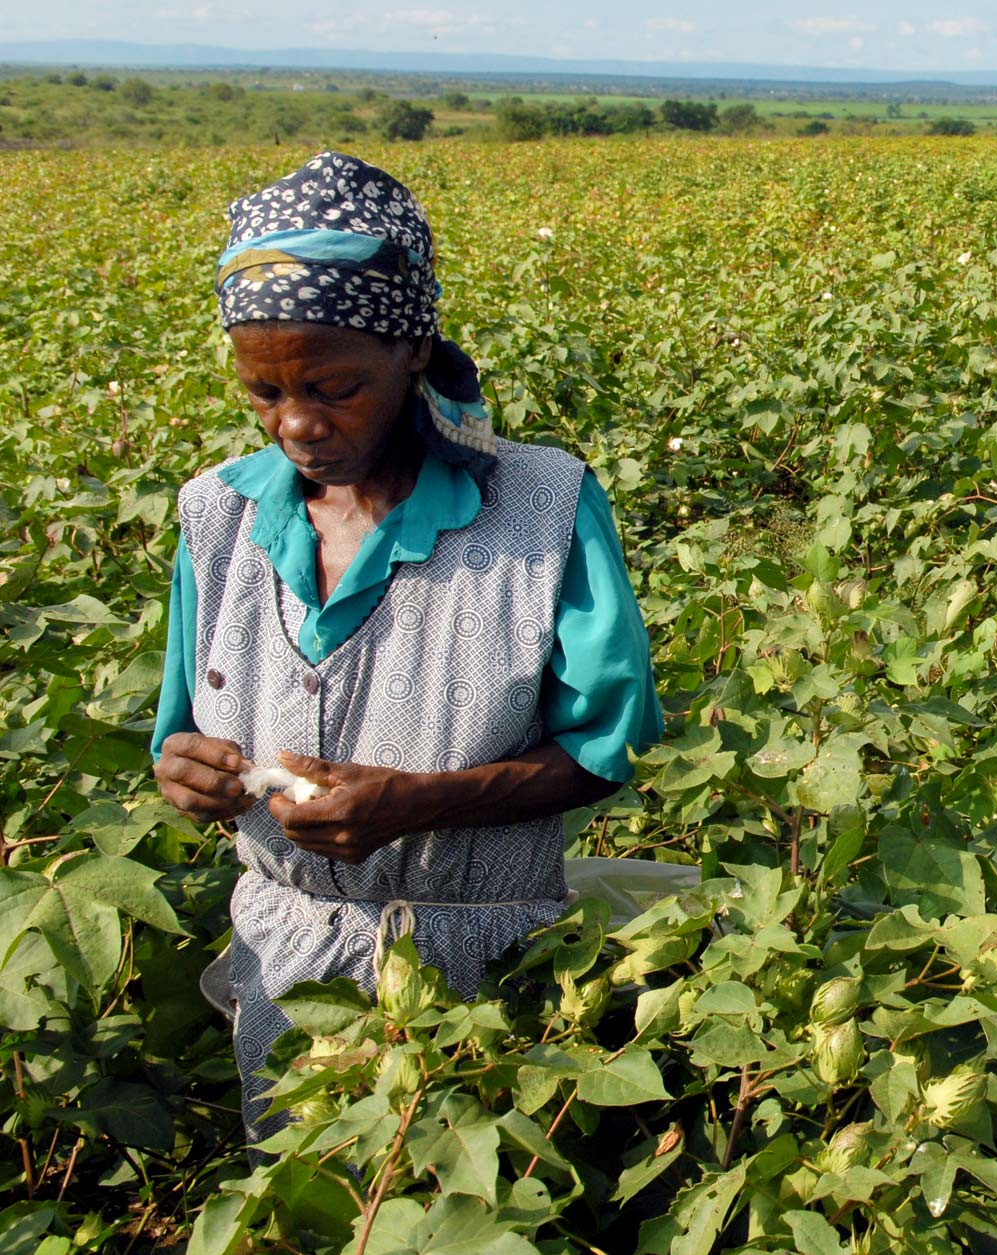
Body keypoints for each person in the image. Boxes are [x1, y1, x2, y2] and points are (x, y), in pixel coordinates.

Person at [150, 152, 665, 1137]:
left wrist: (421, 803)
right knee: (305, 1198)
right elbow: (180, 736)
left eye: (334, 386)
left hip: (485, 969)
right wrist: (187, 773)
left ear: (414, 351)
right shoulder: (216, 516)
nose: (297, 423)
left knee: (470, 1206)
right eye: (263, 392)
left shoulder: (539, 504)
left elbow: (614, 743)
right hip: (285, 968)